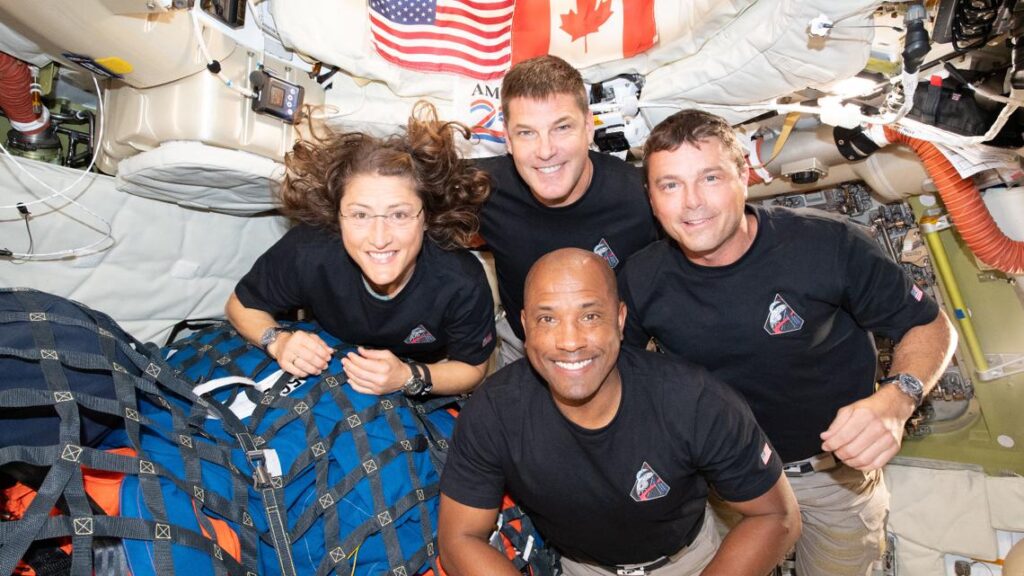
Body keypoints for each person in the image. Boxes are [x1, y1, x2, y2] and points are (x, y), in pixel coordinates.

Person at [619, 109, 958, 576]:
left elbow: (930, 325)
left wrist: (898, 399)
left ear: (744, 176)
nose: (692, 202)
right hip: (723, 482)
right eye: (670, 185)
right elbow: (621, 378)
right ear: (652, 198)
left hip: (831, 478)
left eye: (710, 177)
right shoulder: (640, 279)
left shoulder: (828, 245)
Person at [439, 248, 801, 576]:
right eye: (547, 319)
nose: (569, 341)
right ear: (525, 327)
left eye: (590, 316)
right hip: (576, 568)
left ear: (620, 319)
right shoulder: (494, 412)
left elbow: (776, 515)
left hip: (692, 563)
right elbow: (460, 538)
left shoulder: (693, 400)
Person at [225, 103, 496, 397]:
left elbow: (472, 368)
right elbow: (241, 305)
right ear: (337, 217)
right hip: (325, 375)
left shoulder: (461, 281)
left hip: (417, 379)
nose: (379, 239)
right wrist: (278, 341)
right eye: (360, 215)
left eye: (399, 215)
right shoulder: (309, 249)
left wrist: (407, 377)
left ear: (427, 217)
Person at [475, 55, 659, 367]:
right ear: (507, 139)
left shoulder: (640, 197)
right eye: (526, 133)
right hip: (524, 350)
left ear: (588, 127)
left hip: (621, 354)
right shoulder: (481, 188)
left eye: (561, 127)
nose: (545, 151)